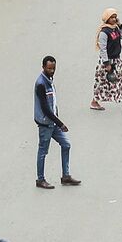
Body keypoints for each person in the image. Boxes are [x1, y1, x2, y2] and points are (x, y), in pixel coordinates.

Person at [33, 56, 78, 189]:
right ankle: (40, 180)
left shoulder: (49, 80)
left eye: (54, 68)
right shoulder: (41, 83)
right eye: (49, 68)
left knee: (66, 145)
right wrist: (60, 123)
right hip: (46, 124)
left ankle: (66, 176)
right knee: (43, 152)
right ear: (43, 67)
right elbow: (45, 108)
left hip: (53, 122)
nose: (52, 71)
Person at [90, 8, 122, 111]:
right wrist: (107, 64)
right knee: (101, 82)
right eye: (112, 17)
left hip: (117, 60)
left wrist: (120, 25)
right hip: (107, 61)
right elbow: (103, 49)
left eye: (115, 17)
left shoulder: (115, 28)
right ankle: (94, 102)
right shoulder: (104, 32)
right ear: (107, 18)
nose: (114, 19)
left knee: (121, 81)